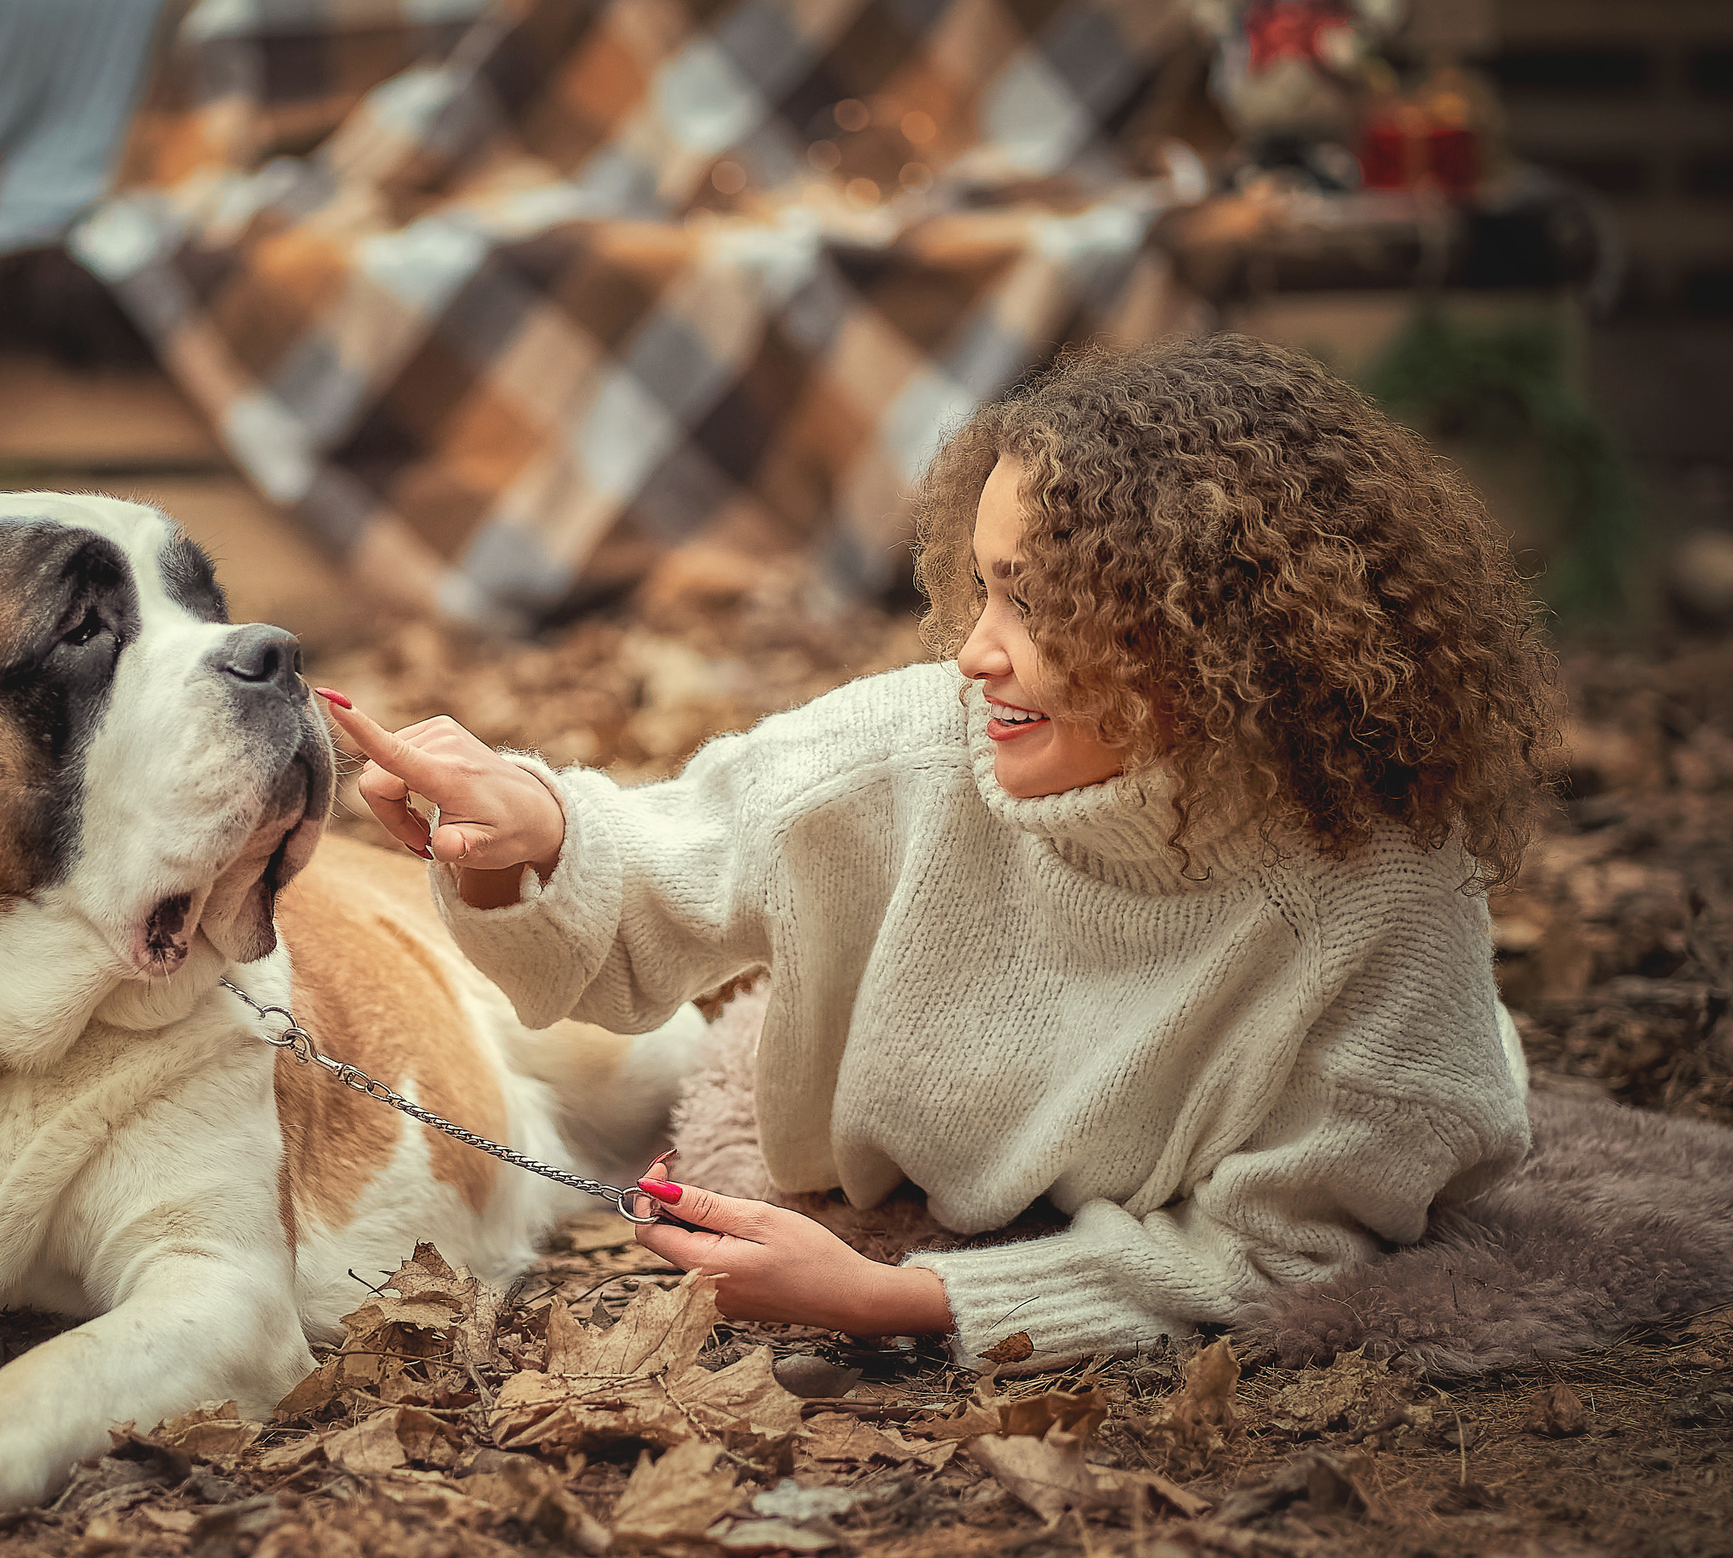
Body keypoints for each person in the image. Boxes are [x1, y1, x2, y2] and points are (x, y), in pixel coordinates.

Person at [317, 334, 1559, 1368]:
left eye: (1038, 603)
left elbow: (1283, 1255)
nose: (975, 648)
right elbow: (663, 867)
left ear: (1220, 629)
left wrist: (895, 1296)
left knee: (1421, 1129)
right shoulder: (915, 751)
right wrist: (527, 834)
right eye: (981, 588)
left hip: (1380, 1101)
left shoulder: (1377, 897)